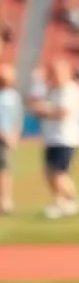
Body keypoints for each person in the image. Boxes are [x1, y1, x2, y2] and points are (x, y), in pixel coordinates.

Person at [33, 59, 79, 219]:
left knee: (59, 173)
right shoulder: (53, 90)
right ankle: (59, 201)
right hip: (52, 137)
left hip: (65, 138)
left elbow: (64, 112)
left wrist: (45, 111)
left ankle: (72, 198)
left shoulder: (71, 90)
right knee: (49, 172)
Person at [0, 64, 23, 214]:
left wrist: (14, 135)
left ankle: (5, 200)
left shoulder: (14, 96)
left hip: (7, 139)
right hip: (3, 136)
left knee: (5, 170)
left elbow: (17, 117)